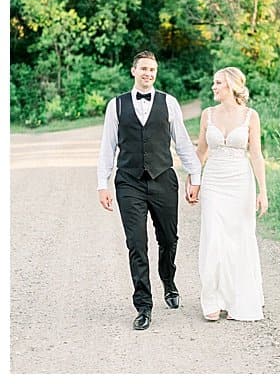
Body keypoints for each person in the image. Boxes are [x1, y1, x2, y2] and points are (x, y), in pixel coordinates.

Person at [97, 50, 202, 331]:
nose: (148, 74)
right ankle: (143, 305)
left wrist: (195, 175)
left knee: (169, 239)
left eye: (152, 70)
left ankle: (168, 279)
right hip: (129, 182)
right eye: (143, 68)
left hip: (163, 179)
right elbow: (107, 148)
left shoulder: (169, 103)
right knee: (136, 244)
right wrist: (102, 184)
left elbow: (181, 142)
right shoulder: (116, 106)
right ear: (133, 71)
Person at [195, 66, 268, 322]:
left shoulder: (250, 116)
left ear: (233, 86)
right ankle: (212, 298)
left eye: (218, 83)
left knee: (238, 238)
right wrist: (193, 181)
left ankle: (237, 297)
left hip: (240, 182)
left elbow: (256, 154)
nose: (214, 87)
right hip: (214, 181)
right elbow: (201, 152)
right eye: (214, 83)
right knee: (214, 237)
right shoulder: (208, 115)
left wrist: (263, 191)